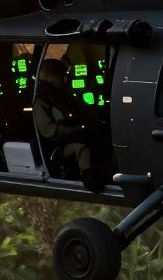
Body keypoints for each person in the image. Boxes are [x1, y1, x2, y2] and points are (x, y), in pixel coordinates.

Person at [33, 58, 110, 191]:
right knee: (81, 149)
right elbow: (48, 130)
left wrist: (96, 119)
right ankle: (90, 180)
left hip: (76, 133)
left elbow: (82, 109)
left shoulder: (64, 95)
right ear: (50, 77)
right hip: (58, 144)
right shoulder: (42, 102)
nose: (65, 80)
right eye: (61, 76)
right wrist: (74, 130)